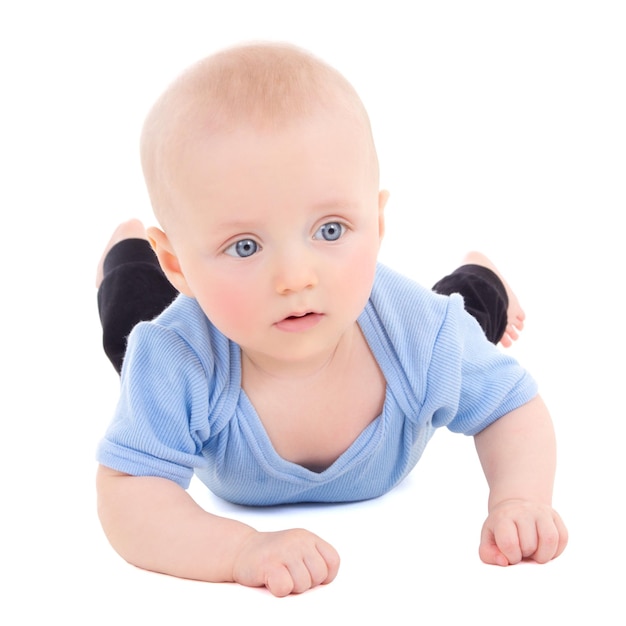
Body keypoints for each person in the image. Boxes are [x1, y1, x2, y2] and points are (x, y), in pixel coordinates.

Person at [95, 42, 568, 597]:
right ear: (176, 261)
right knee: (130, 326)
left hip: (404, 320)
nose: (296, 277)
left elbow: (511, 405)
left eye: (331, 230)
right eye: (245, 246)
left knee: (462, 314)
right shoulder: (178, 357)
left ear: (377, 220)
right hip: (195, 325)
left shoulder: (421, 332)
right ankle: (127, 252)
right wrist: (240, 550)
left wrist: (520, 499)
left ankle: (481, 275)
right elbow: (130, 493)